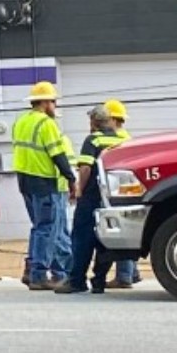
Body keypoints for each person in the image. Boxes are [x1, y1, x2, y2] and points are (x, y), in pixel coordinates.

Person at [11, 81, 79, 290]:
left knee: (39, 228)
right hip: (43, 181)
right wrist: (71, 178)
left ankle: (33, 270)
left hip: (25, 180)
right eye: (53, 101)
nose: (55, 106)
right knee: (47, 229)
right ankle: (39, 275)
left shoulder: (20, 121)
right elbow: (57, 154)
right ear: (45, 102)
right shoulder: (46, 124)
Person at [56, 104, 119, 294]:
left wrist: (79, 189)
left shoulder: (93, 140)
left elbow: (85, 168)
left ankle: (77, 281)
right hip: (113, 198)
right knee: (105, 240)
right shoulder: (122, 139)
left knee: (82, 238)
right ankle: (99, 280)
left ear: (94, 121)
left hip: (92, 196)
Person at [99, 99, 140, 288]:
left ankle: (124, 276)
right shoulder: (128, 138)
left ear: (114, 120)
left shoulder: (115, 140)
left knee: (122, 234)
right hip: (128, 190)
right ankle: (132, 273)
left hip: (118, 190)